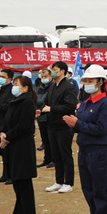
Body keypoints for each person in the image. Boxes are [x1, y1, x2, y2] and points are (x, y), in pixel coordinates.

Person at [62, 65, 107, 214]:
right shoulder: (84, 104)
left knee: (99, 190)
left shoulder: (105, 104)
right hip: (84, 150)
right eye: (85, 81)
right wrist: (72, 124)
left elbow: (101, 129)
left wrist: (77, 124)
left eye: (90, 81)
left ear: (100, 83)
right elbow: (82, 126)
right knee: (88, 190)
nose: (86, 84)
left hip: (98, 152)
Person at [0, 75, 39, 214]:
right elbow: (7, 121)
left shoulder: (27, 102)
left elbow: (23, 126)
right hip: (13, 145)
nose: (14, 86)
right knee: (16, 181)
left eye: (17, 84)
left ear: (25, 88)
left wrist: (7, 137)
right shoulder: (15, 101)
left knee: (23, 181)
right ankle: (19, 213)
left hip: (22, 146)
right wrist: (3, 133)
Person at [42, 61, 78, 194]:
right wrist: (43, 110)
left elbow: (70, 106)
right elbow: (46, 102)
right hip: (52, 125)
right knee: (55, 154)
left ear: (62, 71)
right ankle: (58, 181)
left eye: (55, 69)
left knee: (65, 154)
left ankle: (68, 182)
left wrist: (52, 109)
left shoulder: (69, 86)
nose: (52, 72)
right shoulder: (52, 86)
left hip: (64, 125)